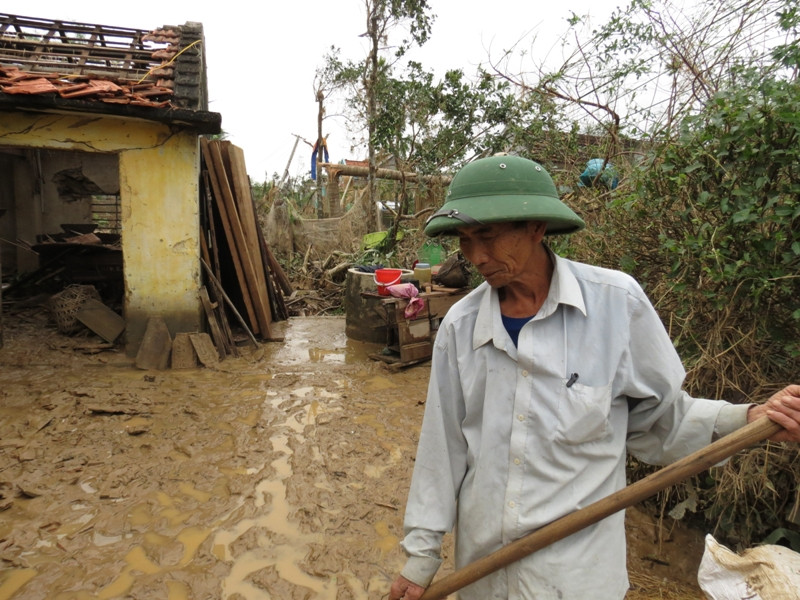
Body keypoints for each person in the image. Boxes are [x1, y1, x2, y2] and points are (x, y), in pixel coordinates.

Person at [388, 154, 800, 600]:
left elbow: (661, 422)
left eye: (487, 236)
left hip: (577, 579)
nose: (476, 256)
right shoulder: (460, 326)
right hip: (483, 575)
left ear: (537, 227)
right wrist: (421, 558)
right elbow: (443, 448)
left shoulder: (616, 305)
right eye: (466, 240)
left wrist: (750, 419)